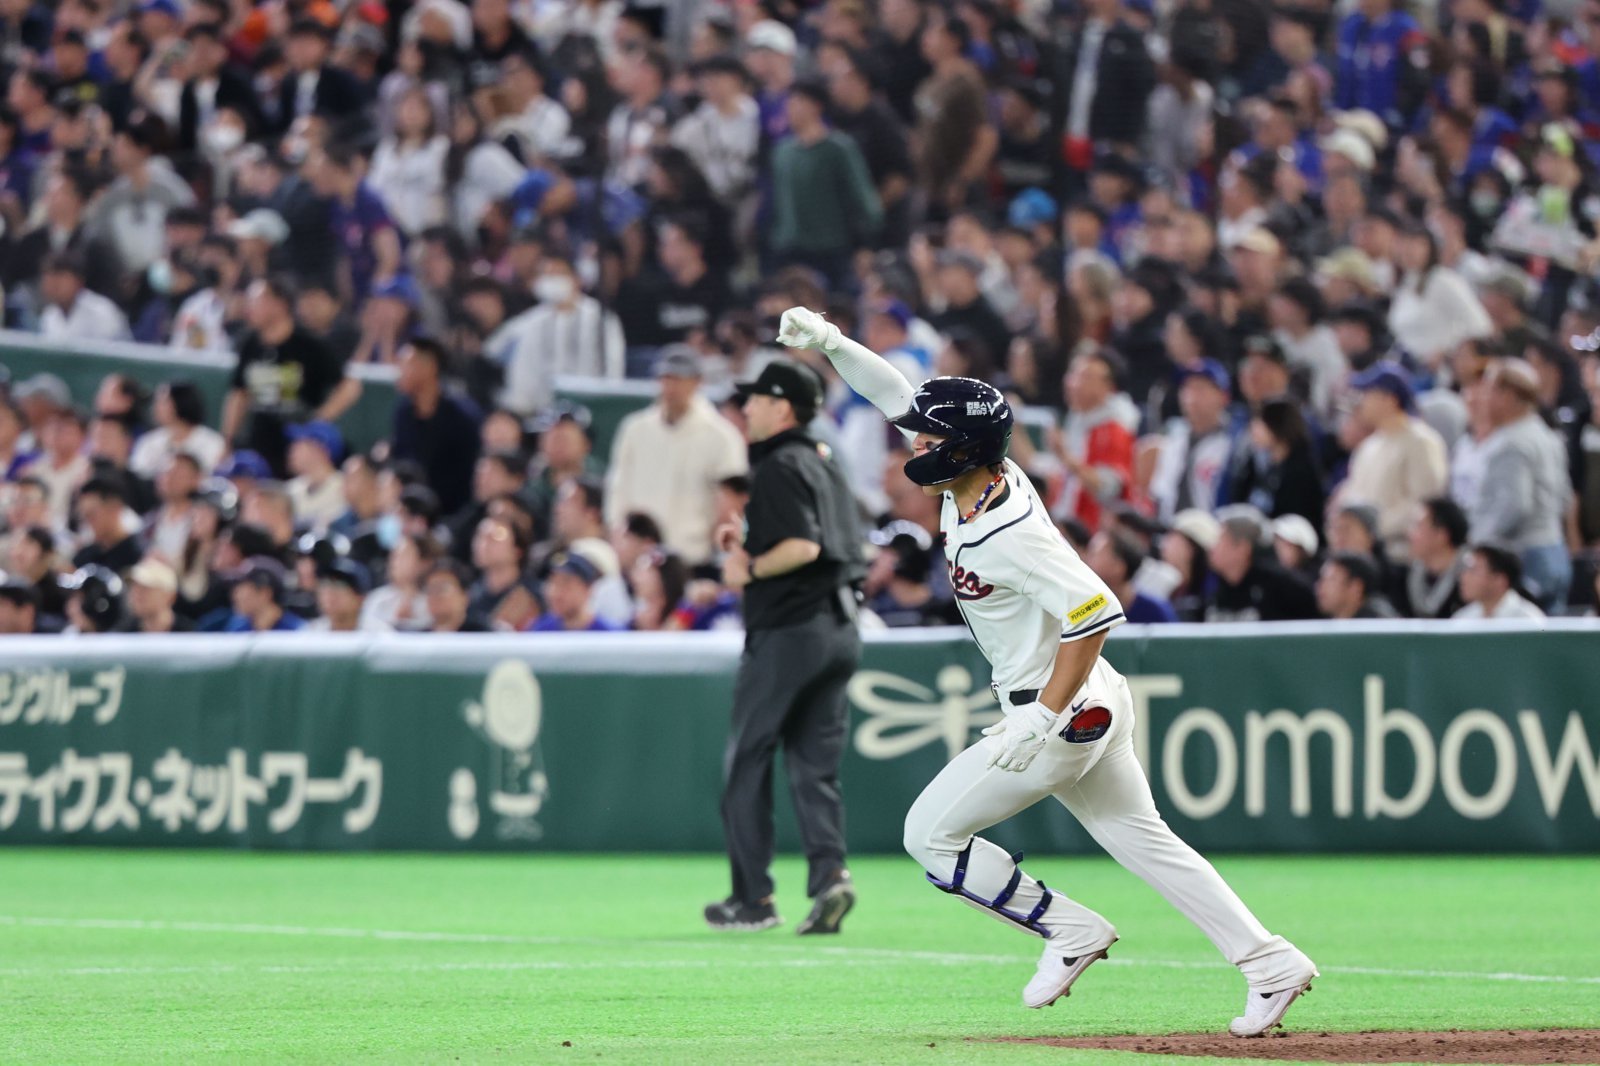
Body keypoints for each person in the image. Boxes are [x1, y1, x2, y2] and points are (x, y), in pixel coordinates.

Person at [777, 305, 1317, 1035]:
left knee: (928, 836)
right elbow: (894, 394)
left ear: (962, 450)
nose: (917, 439)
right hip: (1090, 701)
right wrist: (836, 345)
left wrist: (1038, 715)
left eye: (933, 436)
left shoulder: (1008, 530)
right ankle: (1269, 962)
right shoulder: (978, 478)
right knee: (1148, 842)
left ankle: (1067, 929)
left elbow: (1094, 609)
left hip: (1058, 709)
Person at [704, 358, 866, 937]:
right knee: (813, 769)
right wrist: (745, 538)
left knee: (746, 761)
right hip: (840, 629)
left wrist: (748, 566)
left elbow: (801, 546)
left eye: (754, 400)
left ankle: (753, 899)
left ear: (782, 407)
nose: (744, 409)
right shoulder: (826, 460)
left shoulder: (778, 463)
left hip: (790, 631)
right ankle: (830, 878)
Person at [605, 347, 748, 566]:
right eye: (666, 378)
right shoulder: (635, 429)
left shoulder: (723, 437)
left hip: (692, 557)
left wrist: (719, 549)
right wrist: (619, 536)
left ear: (697, 382)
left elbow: (730, 504)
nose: (671, 387)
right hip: (637, 559)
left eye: (680, 379)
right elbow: (618, 487)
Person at [223, 277, 361, 477]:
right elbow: (239, 393)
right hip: (260, 444)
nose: (250, 308)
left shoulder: (308, 345)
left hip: (297, 448)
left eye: (257, 302)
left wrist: (319, 419)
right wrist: (228, 439)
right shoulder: (249, 344)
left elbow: (350, 387)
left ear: (280, 304)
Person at [1469, 359, 1573, 612]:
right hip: (1554, 549)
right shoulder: (1546, 435)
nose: (1483, 399)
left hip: (1526, 556)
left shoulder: (1512, 443)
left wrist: (1478, 541)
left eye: (1490, 390)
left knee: (1529, 644)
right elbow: (1564, 498)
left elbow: (1514, 506)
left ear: (1508, 395)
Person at [1335, 362, 1447, 563]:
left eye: (1368, 394)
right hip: (1363, 551)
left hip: (1398, 554)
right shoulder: (1370, 445)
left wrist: (1372, 528)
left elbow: (1424, 502)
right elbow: (1353, 493)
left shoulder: (1421, 441)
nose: (1363, 402)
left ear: (1389, 399)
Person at [391, 336, 484, 517]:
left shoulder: (463, 416)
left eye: (407, 364)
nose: (400, 371)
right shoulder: (403, 412)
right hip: (409, 512)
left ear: (430, 367)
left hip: (453, 514)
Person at [1205, 508, 1320, 622]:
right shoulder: (1216, 591)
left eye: (1220, 540)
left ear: (1243, 548)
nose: (1212, 548)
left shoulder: (1284, 589)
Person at [1398, 497, 1469, 619]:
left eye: (1418, 526)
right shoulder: (1402, 577)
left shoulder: (1470, 579)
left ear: (1441, 535)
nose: (1409, 534)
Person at [1087, 529, 1178, 623]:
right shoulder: (1084, 610)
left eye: (1095, 554)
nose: (1086, 560)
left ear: (1118, 567)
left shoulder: (1156, 611)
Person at [1453, 543, 1546, 620]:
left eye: (1473, 571)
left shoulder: (1527, 620)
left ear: (1500, 580)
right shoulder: (1463, 618)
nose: (1464, 577)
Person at [529, 552, 615, 631]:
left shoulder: (611, 635)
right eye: (552, 582)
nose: (556, 592)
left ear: (588, 588)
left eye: (565, 583)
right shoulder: (539, 631)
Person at [224, 557, 306, 632]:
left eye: (241, 590)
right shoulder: (238, 630)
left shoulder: (297, 630)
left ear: (265, 593)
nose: (236, 596)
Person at [114, 558, 194, 633]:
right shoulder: (124, 634)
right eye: (133, 587)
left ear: (169, 596)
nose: (136, 594)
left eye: (145, 588)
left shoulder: (190, 635)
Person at [1315, 552, 1398, 619]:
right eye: (1321, 579)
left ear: (1356, 587)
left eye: (1331, 579)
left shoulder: (1380, 626)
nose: (1319, 586)